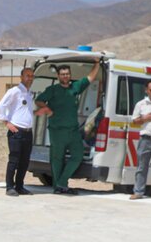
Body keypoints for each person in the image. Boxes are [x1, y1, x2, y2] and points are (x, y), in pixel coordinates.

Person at [35, 60, 103, 194]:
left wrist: (97, 64)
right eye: (62, 74)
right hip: (57, 131)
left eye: (67, 74)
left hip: (72, 131)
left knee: (77, 156)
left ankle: (61, 182)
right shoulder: (53, 90)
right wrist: (47, 109)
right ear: (58, 76)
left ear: (70, 75)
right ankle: (59, 187)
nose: (65, 76)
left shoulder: (75, 87)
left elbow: (90, 78)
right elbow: (38, 100)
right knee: (57, 160)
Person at [0, 67, 36, 196]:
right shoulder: (15, 91)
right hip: (16, 132)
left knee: (24, 161)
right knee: (14, 160)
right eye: (27, 75)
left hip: (28, 132)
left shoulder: (29, 93)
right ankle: (9, 187)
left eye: (31, 76)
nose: (29, 78)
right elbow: (1, 105)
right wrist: (6, 122)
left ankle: (20, 186)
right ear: (21, 77)